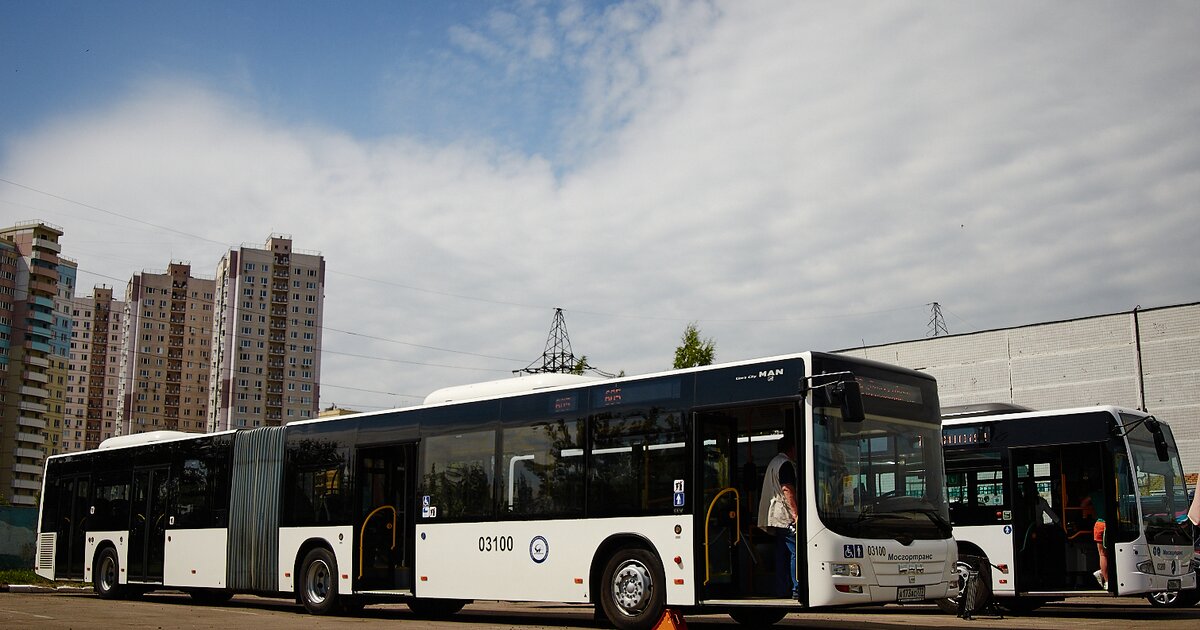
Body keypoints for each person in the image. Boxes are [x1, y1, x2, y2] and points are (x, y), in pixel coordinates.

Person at [758, 434, 799, 599]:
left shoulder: (773, 463)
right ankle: (797, 588)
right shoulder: (786, 464)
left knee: (782, 553)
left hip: (774, 516)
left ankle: (782, 589)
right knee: (796, 551)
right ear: (792, 448)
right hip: (785, 516)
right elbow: (787, 490)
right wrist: (796, 514)